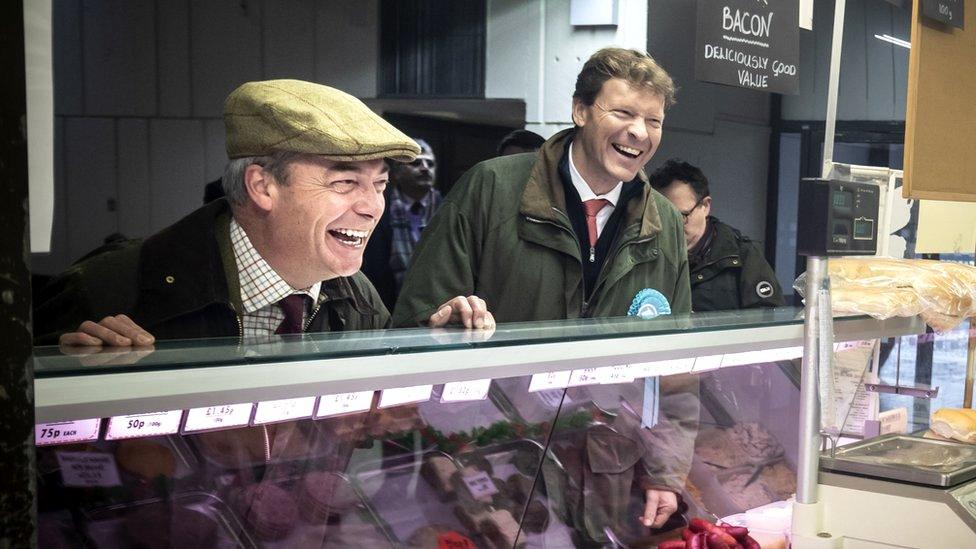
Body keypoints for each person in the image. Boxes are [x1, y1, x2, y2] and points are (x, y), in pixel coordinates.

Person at [392, 48, 697, 544]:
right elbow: (414, 321)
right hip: (491, 460)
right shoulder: (489, 190)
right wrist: (445, 324)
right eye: (622, 113)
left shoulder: (662, 223)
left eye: (653, 120)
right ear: (580, 111)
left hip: (605, 471)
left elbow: (675, 369)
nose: (639, 132)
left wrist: (666, 472)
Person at [35, 80, 492, 346]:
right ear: (263, 186)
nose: (372, 207)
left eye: (380, 184)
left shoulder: (358, 298)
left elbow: (363, 430)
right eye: (344, 182)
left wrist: (431, 346)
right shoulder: (109, 291)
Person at [649, 159, 784, 311]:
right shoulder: (643, 251)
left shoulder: (742, 255)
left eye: (681, 216)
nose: (670, 226)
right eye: (661, 217)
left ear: (705, 206)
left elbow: (767, 320)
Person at [361, 138, 443, 311]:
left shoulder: (447, 207)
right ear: (396, 173)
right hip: (385, 303)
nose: (425, 168)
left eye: (430, 164)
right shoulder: (380, 206)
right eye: (417, 163)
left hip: (437, 304)